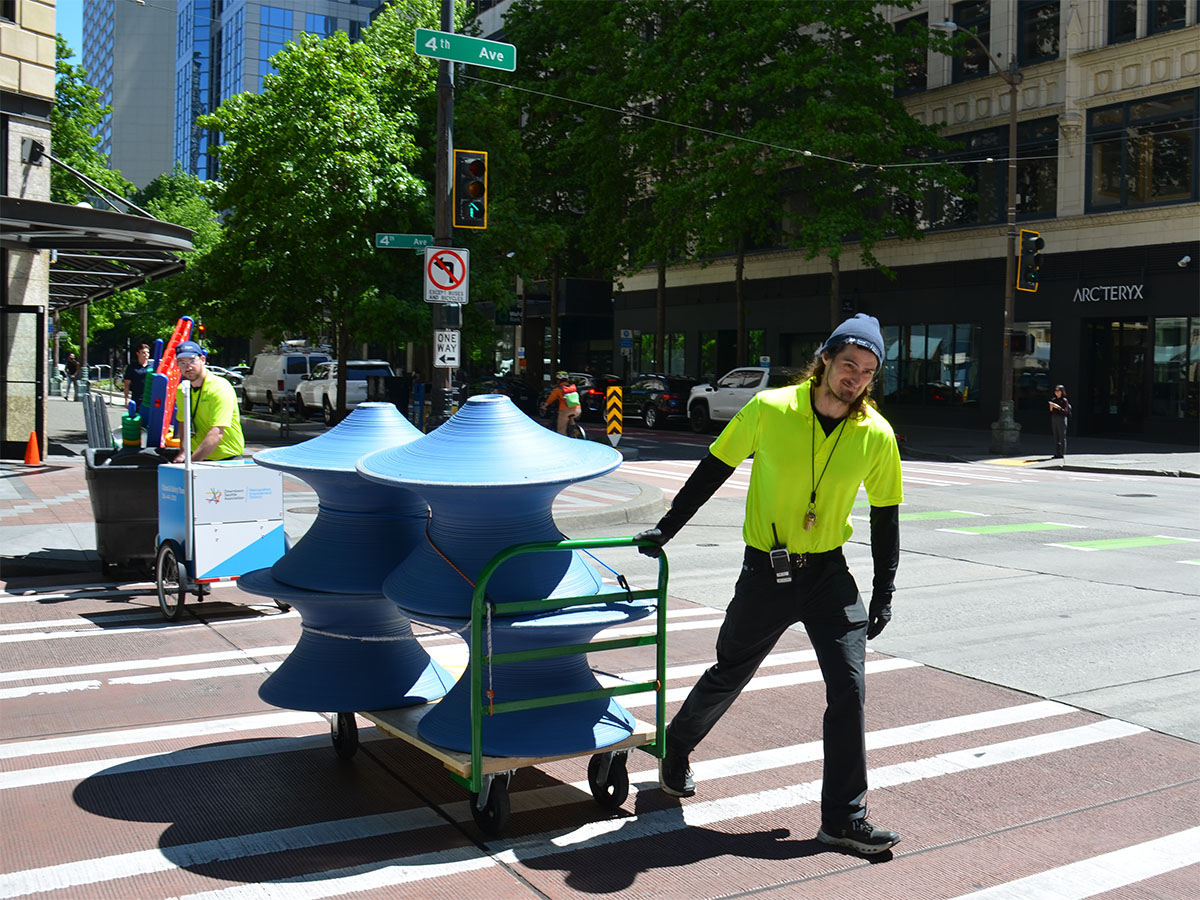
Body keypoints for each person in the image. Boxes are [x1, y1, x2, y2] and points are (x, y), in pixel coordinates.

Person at [635, 313, 904, 856]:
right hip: (767, 571)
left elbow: (886, 517)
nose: (855, 377)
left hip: (829, 575)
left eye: (866, 371)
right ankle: (676, 747)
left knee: (849, 689)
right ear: (825, 360)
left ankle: (844, 819)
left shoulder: (875, 434)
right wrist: (667, 527)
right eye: (848, 363)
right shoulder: (769, 408)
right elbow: (714, 467)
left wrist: (884, 592)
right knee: (730, 671)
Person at [172, 340, 245, 462]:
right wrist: (183, 452)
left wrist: (192, 463)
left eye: (192, 361)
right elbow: (183, 422)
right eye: (182, 363)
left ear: (202, 360)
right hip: (197, 455)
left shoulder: (220, 388)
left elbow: (217, 432)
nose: (188, 367)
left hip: (226, 459)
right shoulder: (182, 389)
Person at [541, 370, 581, 435]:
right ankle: (574, 429)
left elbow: (550, 399)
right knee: (570, 418)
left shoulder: (559, 389)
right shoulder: (573, 388)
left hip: (565, 410)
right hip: (577, 409)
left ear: (558, 380)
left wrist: (544, 406)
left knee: (561, 429)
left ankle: (563, 439)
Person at [1049, 384, 1071, 459]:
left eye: (1058, 390)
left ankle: (1062, 453)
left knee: (1062, 436)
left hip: (1061, 418)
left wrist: (1058, 407)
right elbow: (1051, 411)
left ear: (1062, 391)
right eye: (1056, 390)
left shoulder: (1064, 400)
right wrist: (1051, 407)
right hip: (1054, 418)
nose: (1056, 392)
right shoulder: (1054, 400)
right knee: (1056, 436)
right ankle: (1057, 453)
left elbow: (1065, 411)